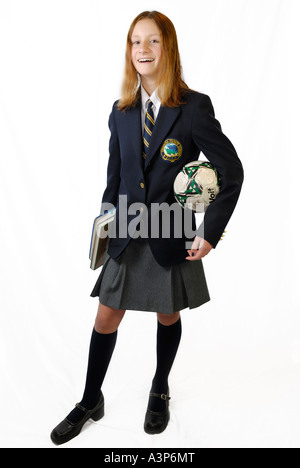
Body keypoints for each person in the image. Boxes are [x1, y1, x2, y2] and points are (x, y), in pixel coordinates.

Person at [50, 10, 244, 446]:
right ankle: (89, 399)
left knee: (167, 312)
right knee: (105, 316)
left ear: (168, 47)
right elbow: (114, 178)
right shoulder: (120, 111)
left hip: (171, 230)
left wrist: (209, 231)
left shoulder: (193, 108)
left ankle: (160, 386)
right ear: (128, 50)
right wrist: (103, 226)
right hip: (125, 233)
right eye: (135, 41)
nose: (142, 49)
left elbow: (231, 171)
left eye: (152, 41)